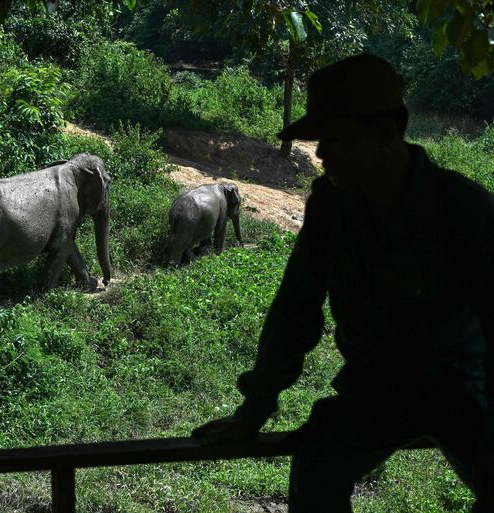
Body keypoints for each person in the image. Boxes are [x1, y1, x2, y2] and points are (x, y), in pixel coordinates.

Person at [192, 54, 493, 512]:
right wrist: (254, 410)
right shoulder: (332, 208)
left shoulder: (464, 210)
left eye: (336, 138)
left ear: (386, 135)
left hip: (463, 388)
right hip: (375, 388)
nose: (320, 153)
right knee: (316, 467)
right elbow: (296, 308)